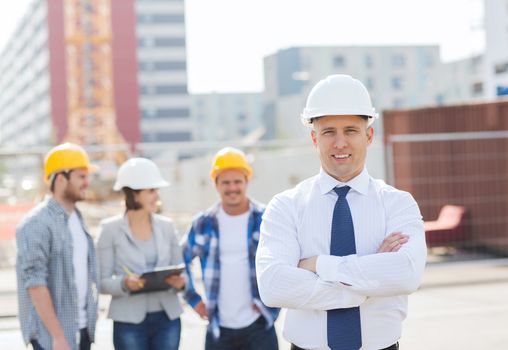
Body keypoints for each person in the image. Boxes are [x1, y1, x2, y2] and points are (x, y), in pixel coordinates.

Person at [256, 74, 427, 350]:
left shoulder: (398, 203)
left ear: (368, 135)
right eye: (328, 132)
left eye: (350, 131)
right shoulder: (285, 206)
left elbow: (406, 273)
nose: (340, 143)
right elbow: (273, 285)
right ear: (314, 138)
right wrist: (368, 282)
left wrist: (318, 265)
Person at [183, 147, 280, 350]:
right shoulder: (203, 223)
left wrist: (273, 303)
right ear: (216, 184)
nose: (232, 188)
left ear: (247, 181)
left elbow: (285, 261)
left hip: (259, 325)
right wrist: (194, 300)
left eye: (237, 181)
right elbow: (180, 261)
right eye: (225, 182)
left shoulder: (266, 219)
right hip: (219, 328)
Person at [16, 143, 99, 350]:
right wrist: (58, 336)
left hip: (81, 330)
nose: (87, 182)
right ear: (61, 179)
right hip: (52, 338)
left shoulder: (77, 219)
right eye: (81, 176)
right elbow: (35, 283)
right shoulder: (37, 223)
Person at [97, 157, 185, 350]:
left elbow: (182, 271)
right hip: (128, 321)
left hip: (167, 318)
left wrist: (181, 282)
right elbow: (101, 281)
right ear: (134, 195)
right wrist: (124, 283)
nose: (157, 195)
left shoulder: (167, 227)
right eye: (152, 190)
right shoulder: (109, 230)